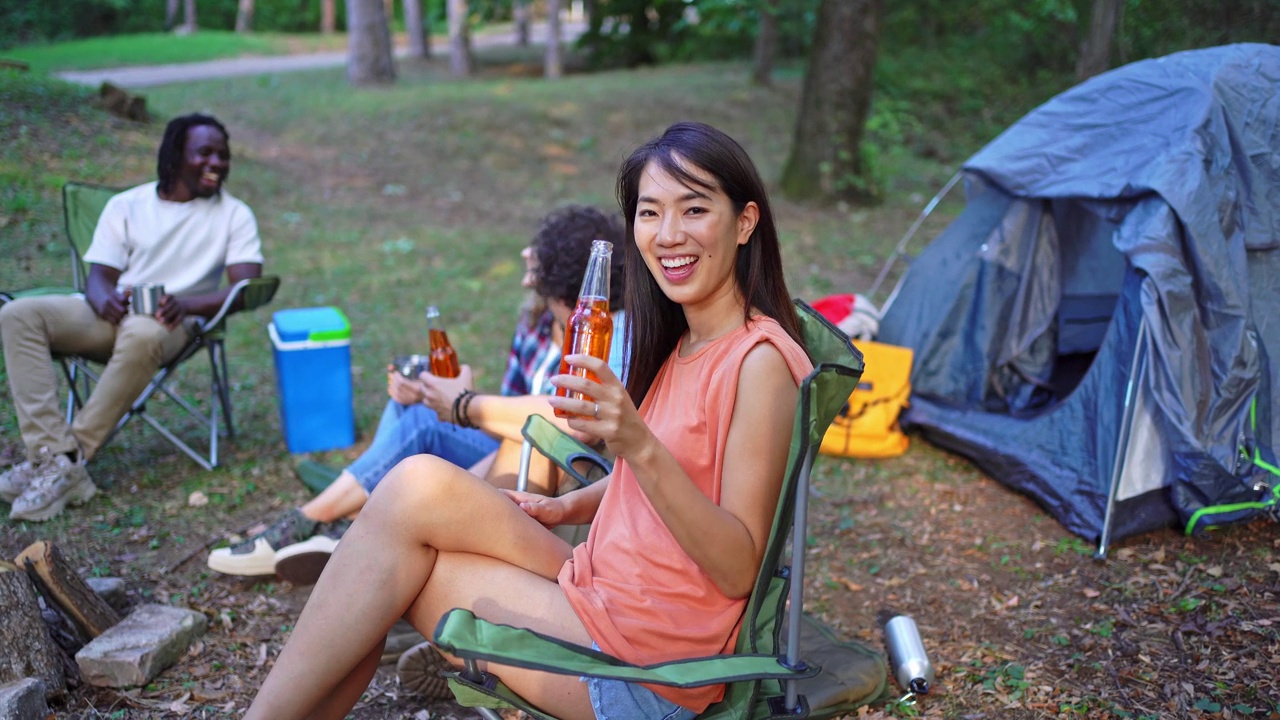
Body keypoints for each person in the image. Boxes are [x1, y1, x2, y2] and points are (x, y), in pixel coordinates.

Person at [244, 120, 812, 720]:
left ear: (745, 221)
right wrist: (567, 507)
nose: (669, 234)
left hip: (650, 668)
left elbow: (737, 567)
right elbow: (688, 473)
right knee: (407, 506)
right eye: (650, 214)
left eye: (694, 209)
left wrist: (637, 444)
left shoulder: (759, 363)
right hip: (604, 588)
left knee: (381, 570)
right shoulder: (688, 339)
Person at [207, 205, 628, 582]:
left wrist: (464, 405)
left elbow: (572, 422)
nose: (535, 288)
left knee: (427, 420)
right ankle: (352, 520)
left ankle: (315, 523)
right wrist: (452, 395)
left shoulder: (610, 333)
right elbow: (511, 408)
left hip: (553, 472)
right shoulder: (535, 324)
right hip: (512, 454)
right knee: (414, 404)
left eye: (544, 282)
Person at [0, 113, 263, 523]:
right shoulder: (127, 205)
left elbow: (245, 287)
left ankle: (67, 460)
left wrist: (187, 304)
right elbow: (99, 277)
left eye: (223, 155)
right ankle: (49, 456)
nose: (218, 163)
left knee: (143, 331)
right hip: (112, 317)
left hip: (175, 324)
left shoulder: (234, 214)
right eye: (205, 153)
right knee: (18, 314)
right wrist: (103, 299)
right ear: (176, 156)